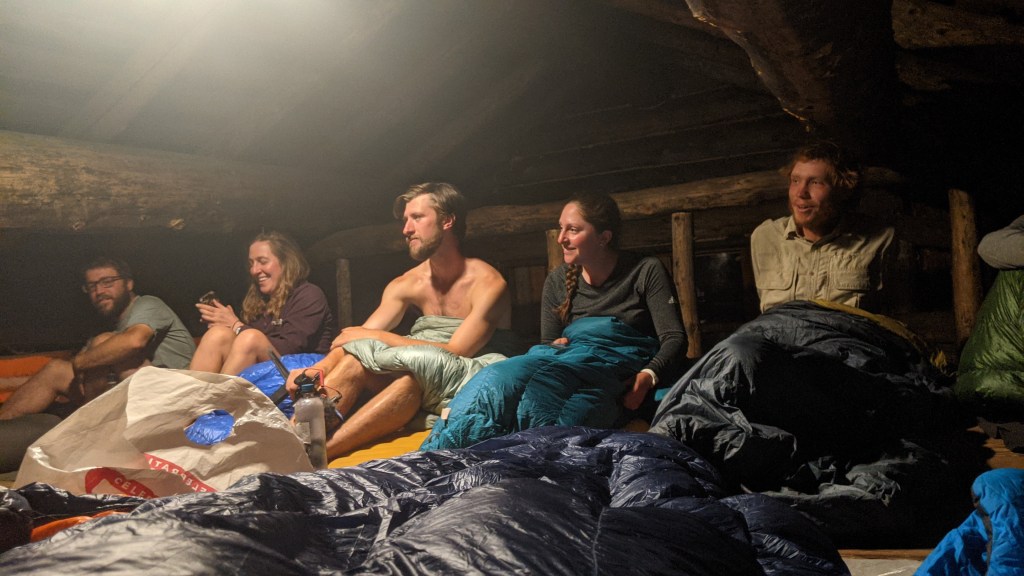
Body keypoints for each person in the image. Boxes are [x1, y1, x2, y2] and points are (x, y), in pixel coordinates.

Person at [421, 192, 687, 450]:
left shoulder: (644, 271)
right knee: (496, 377)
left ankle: (517, 455)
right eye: (561, 228)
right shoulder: (558, 280)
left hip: (611, 364)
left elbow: (673, 338)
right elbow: (548, 343)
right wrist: (555, 345)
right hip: (564, 360)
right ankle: (439, 450)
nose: (561, 238)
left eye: (573, 230)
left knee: (552, 410)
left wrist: (648, 375)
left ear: (603, 237)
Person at [286, 182, 512, 460]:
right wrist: (316, 370)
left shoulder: (488, 283)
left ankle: (315, 455)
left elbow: (457, 351)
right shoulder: (407, 283)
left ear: (448, 221)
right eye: (405, 220)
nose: (406, 229)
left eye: (417, 217)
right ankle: (292, 441)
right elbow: (354, 339)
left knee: (410, 379)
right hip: (423, 368)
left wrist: (377, 337)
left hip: (471, 375)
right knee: (355, 361)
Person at [0, 257, 195, 472]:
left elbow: (134, 341)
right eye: (92, 286)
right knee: (55, 370)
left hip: (171, 396)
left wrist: (80, 362)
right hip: (127, 393)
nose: (99, 291)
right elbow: (75, 371)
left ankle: (90, 436)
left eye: (107, 282)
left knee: (103, 344)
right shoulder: (111, 325)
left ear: (128, 284)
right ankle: (4, 430)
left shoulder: (148, 304)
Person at [750, 140, 895, 313]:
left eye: (815, 182)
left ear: (843, 189)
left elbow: (891, 314)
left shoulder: (880, 238)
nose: (800, 193)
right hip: (779, 330)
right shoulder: (765, 237)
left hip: (844, 330)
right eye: (795, 180)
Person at [189, 231, 335, 375]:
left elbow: (289, 349)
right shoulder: (260, 300)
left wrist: (236, 325)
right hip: (260, 372)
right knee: (218, 335)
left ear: (286, 263)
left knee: (251, 338)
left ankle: (219, 392)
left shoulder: (309, 295)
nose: (254, 270)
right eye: (251, 263)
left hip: (298, 375)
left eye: (263, 262)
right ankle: (193, 391)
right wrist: (224, 323)